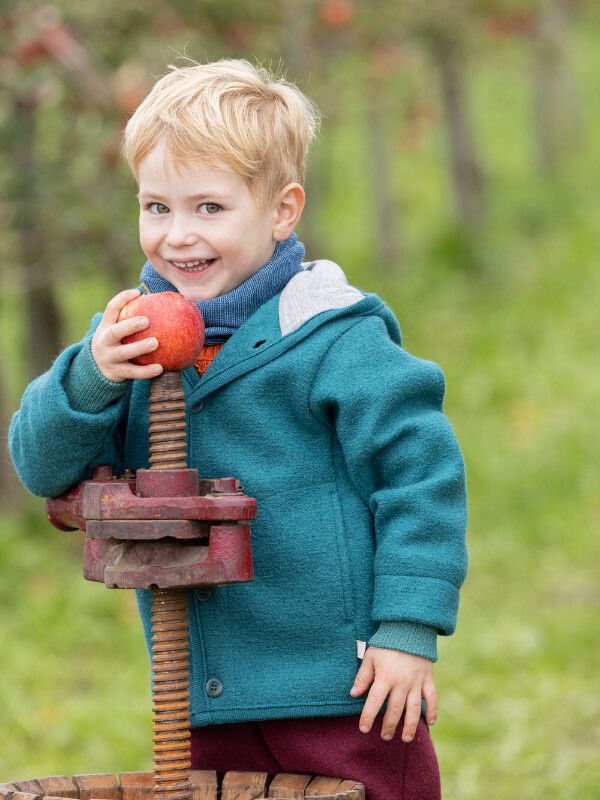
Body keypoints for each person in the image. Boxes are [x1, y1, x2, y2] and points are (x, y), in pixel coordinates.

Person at [9, 59, 467, 800]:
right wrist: (89, 375)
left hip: (346, 686)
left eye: (209, 208)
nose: (177, 235)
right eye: (156, 207)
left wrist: (407, 629)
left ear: (282, 211)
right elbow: (38, 466)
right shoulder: (125, 341)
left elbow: (420, 479)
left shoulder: (333, 339)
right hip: (203, 689)